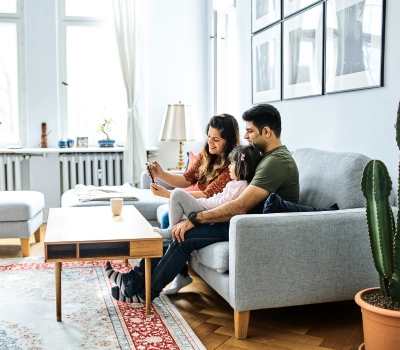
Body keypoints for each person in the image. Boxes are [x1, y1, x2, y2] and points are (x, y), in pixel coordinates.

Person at [105, 104, 300, 304]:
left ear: (266, 131)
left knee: (184, 236)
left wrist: (194, 219)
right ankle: (135, 283)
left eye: (250, 131)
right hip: (239, 222)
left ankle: (143, 291)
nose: (247, 136)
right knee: (179, 233)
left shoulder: (276, 162)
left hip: (250, 228)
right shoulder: (265, 158)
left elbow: (240, 205)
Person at [152, 145, 261, 294]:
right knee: (175, 197)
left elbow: (220, 203)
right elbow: (213, 195)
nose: (230, 166)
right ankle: (172, 233)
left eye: (233, 163)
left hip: (211, 214)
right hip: (207, 208)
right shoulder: (233, 183)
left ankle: (171, 232)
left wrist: (200, 204)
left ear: (242, 166)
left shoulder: (242, 186)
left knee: (177, 195)